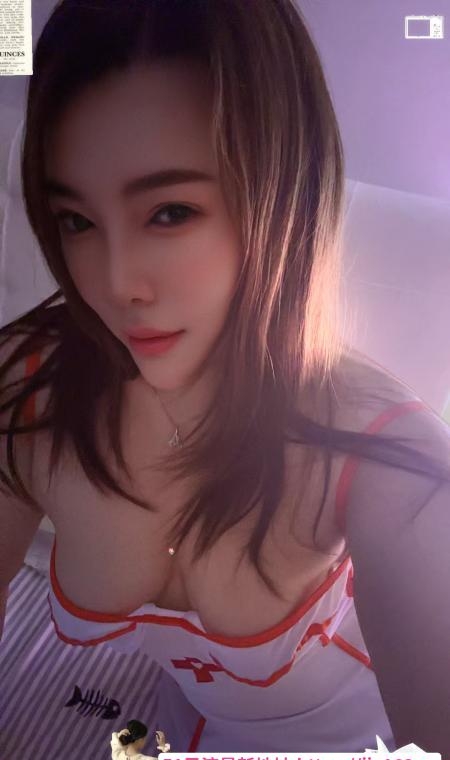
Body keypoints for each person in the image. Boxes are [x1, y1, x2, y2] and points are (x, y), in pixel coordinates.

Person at [1, 0, 450, 755]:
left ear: (282, 195)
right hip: (181, 726)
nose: (115, 283)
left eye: (170, 212)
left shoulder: (383, 455)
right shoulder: (32, 383)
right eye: (76, 220)